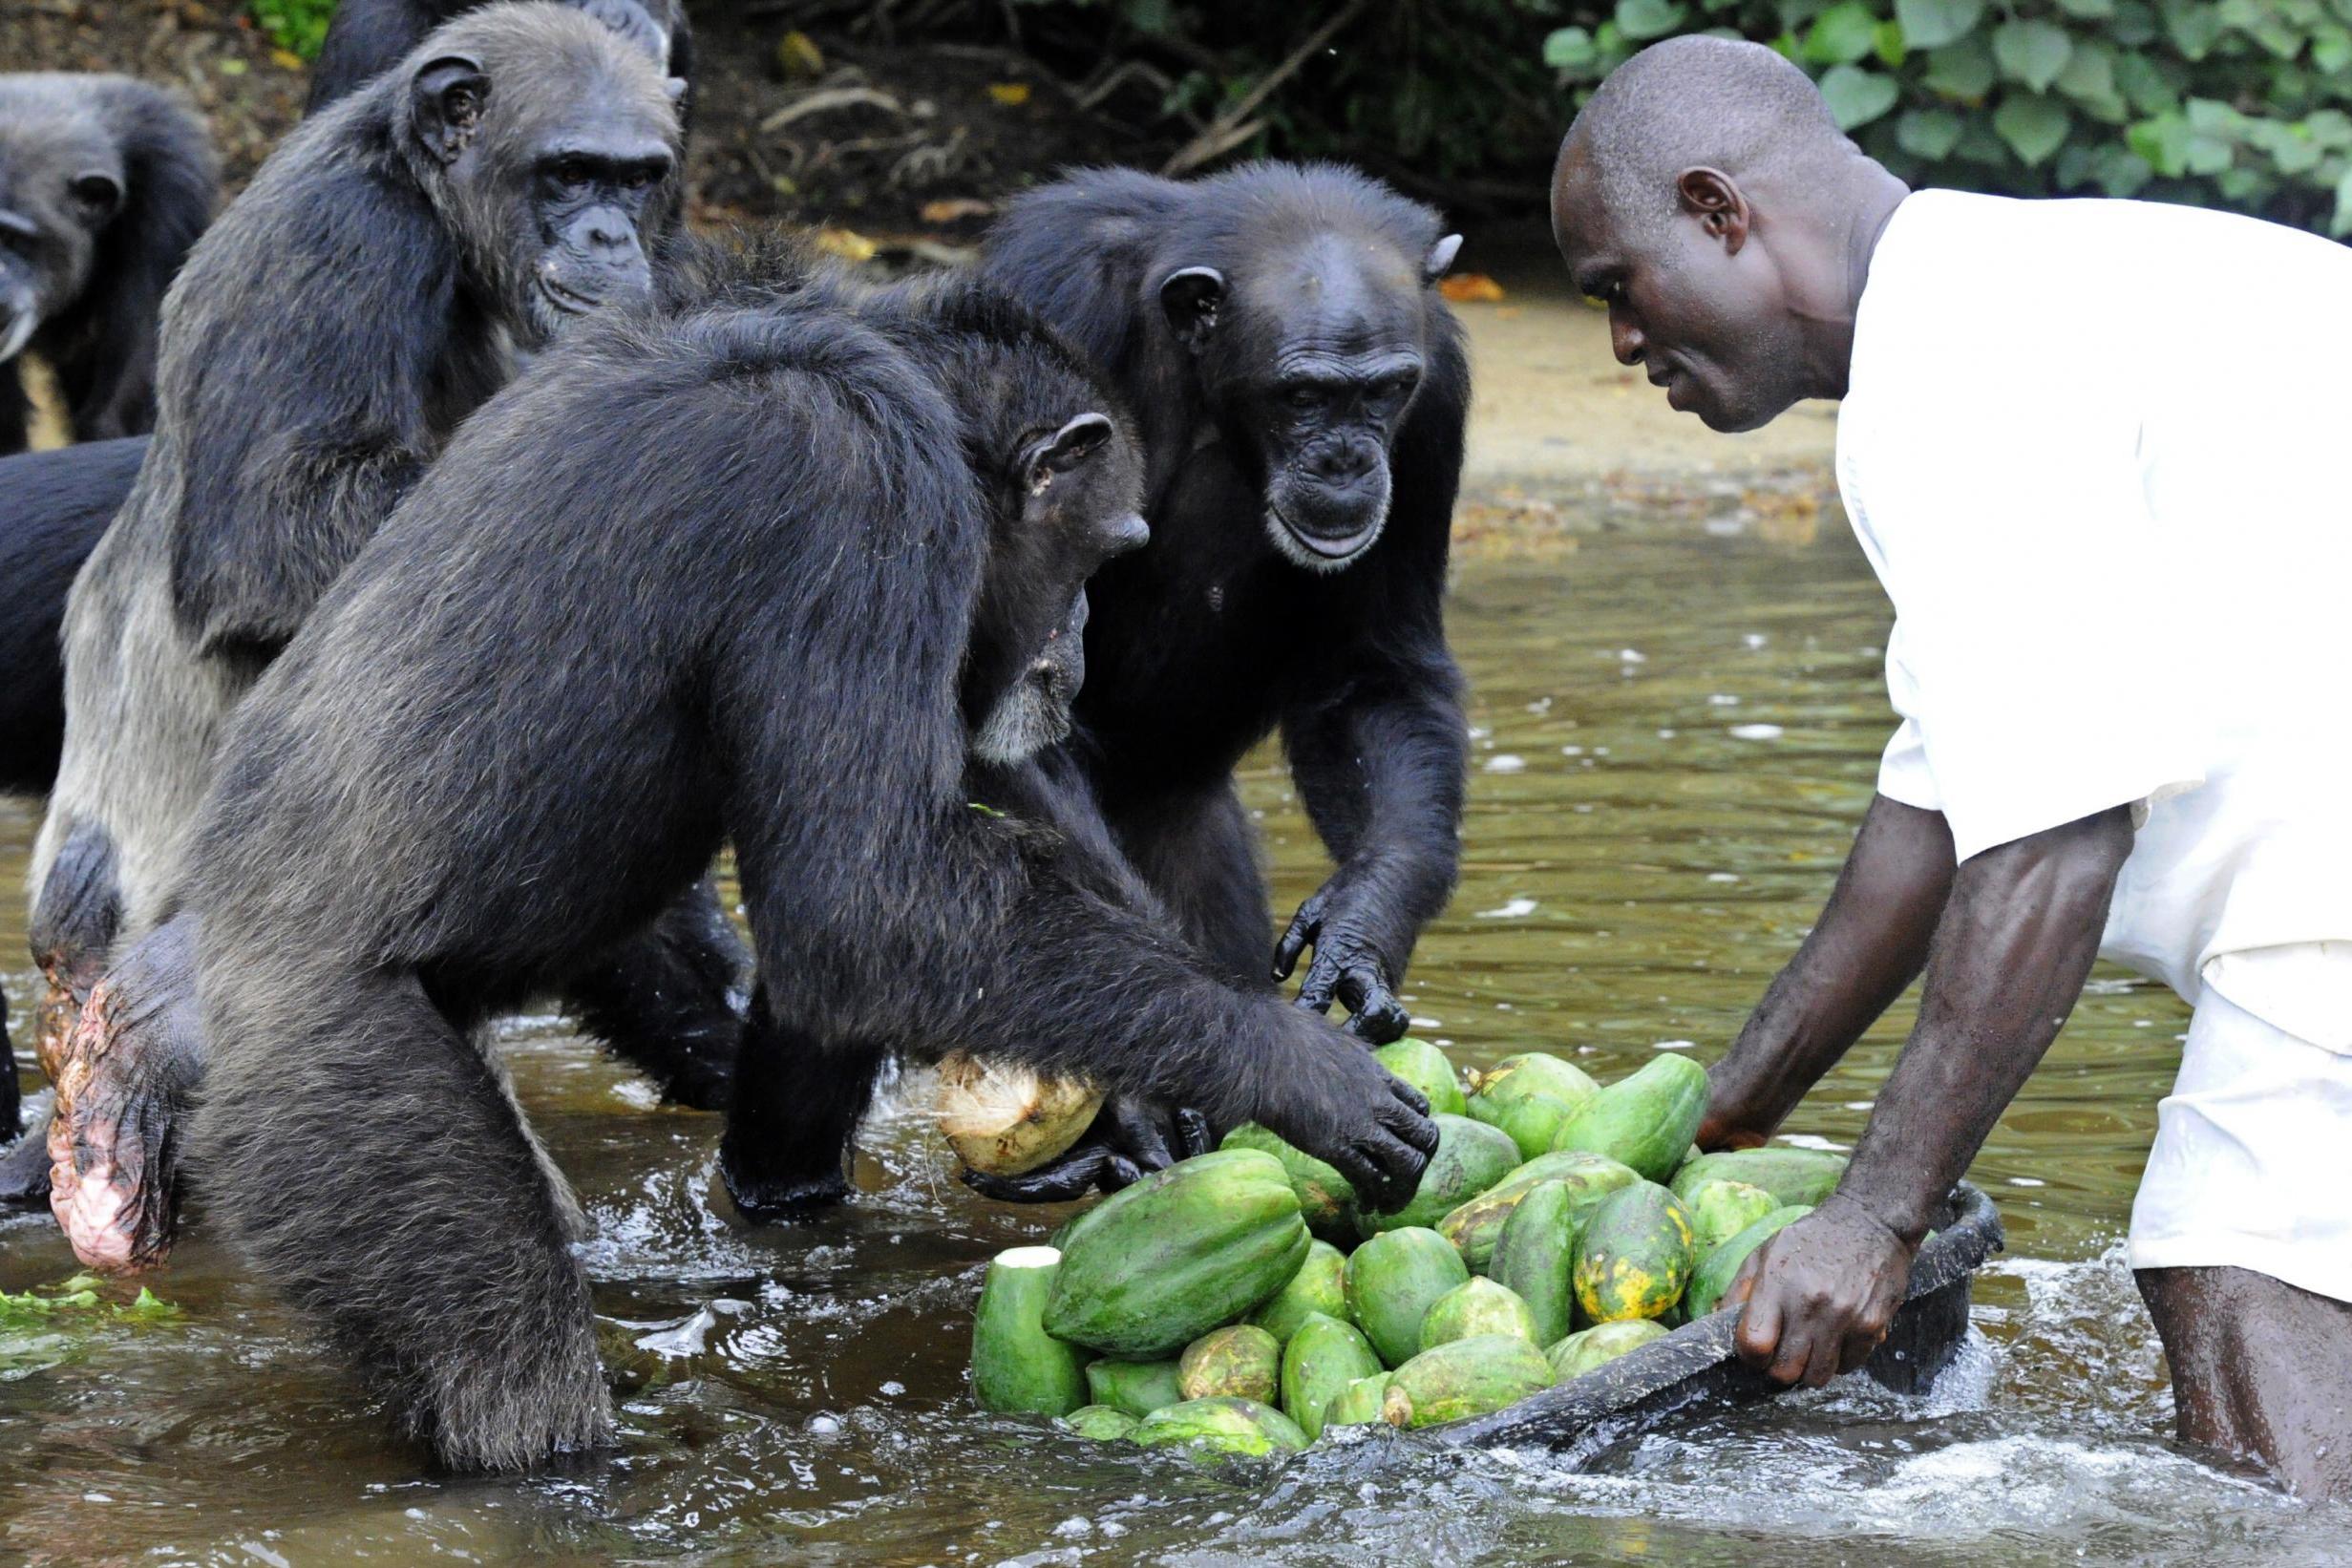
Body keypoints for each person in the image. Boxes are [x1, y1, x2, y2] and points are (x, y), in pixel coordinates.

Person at [1550, 34, 2351, 1497]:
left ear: (1723, 212)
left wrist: (1875, 1215)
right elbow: (1933, 820)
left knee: (2237, 1282)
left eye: (1618, 285)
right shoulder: (1988, 306)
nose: (1618, 343)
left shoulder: (1950, 372)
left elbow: (2052, 842)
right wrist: (1723, 1117)